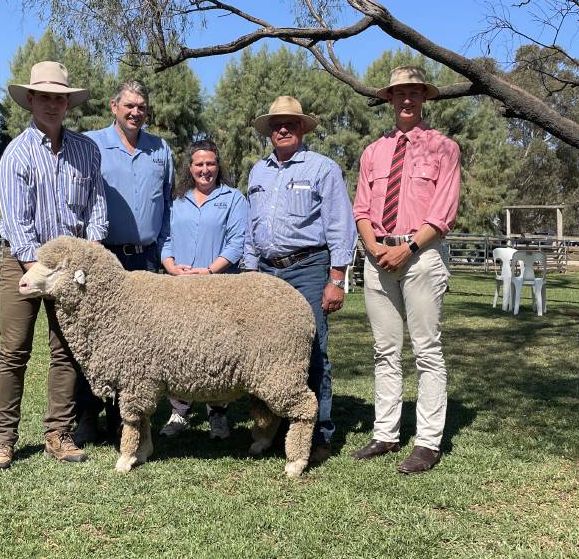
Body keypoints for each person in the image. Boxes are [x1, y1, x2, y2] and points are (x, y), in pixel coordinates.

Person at [0, 61, 108, 472]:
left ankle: (59, 432)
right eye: (46, 97)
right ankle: (3, 439)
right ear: (31, 100)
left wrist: (83, 258)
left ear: (67, 103)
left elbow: (97, 212)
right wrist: (39, 270)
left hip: (71, 266)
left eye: (60, 98)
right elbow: (17, 224)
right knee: (14, 350)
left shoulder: (87, 152)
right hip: (23, 263)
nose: (53, 104)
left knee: (66, 350)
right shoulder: (16, 154)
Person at [348, 66, 462, 475]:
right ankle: (386, 433)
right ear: (390, 100)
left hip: (422, 255)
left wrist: (409, 247)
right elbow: (361, 208)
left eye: (414, 93)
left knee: (427, 350)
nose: (407, 100)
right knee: (385, 350)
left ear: (423, 98)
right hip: (378, 256)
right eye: (400, 94)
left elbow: (444, 211)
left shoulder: (443, 148)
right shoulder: (372, 152)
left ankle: (428, 442)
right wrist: (373, 245)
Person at [243, 95, 356, 466]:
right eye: (277, 123)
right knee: (262, 354)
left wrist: (336, 278)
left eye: (291, 122)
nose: (283, 128)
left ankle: (319, 433)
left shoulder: (323, 169)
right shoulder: (257, 172)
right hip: (265, 272)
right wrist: (247, 275)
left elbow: (340, 224)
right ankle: (267, 429)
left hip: (307, 268)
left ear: (303, 128)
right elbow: (250, 228)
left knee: (314, 350)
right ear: (269, 130)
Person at [80, 80, 175, 444]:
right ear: (113, 107)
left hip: (145, 260)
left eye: (142, 106)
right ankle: (87, 415)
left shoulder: (160, 150)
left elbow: (166, 206)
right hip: (103, 257)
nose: (135, 112)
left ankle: (127, 418)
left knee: (138, 344)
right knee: (96, 340)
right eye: (129, 105)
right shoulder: (90, 145)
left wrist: (164, 252)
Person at [158, 139, 249, 439]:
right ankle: (179, 412)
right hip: (180, 288)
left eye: (210, 163)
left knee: (217, 350)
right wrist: (171, 266)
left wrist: (210, 271)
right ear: (190, 167)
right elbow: (165, 238)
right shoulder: (176, 201)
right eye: (199, 164)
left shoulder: (234, 199)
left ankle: (218, 414)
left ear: (218, 166)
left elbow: (237, 242)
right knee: (179, 349)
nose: (205, 169)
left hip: (219, 287)